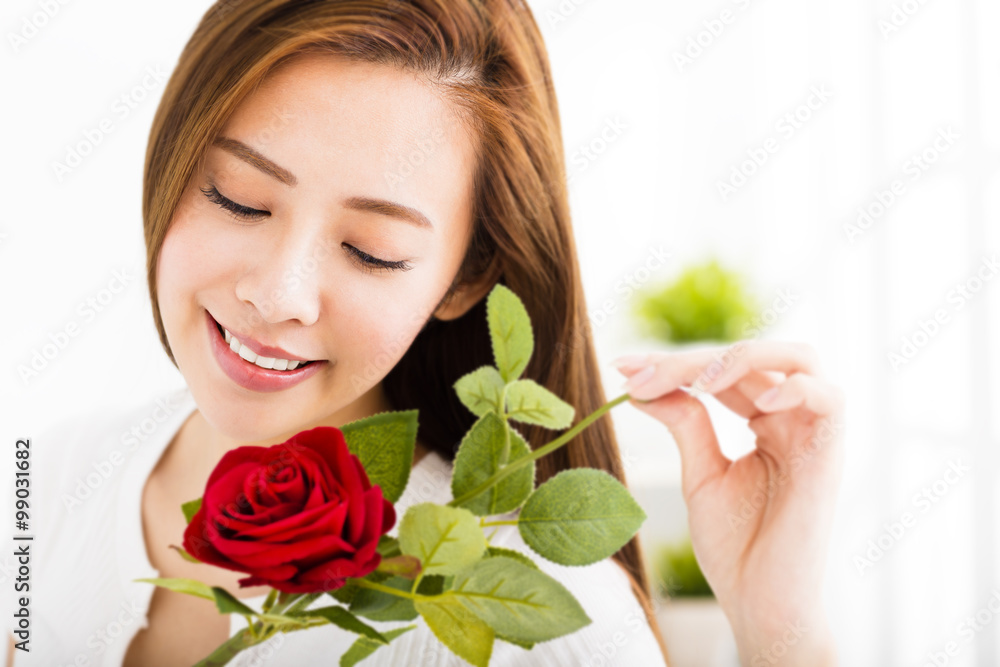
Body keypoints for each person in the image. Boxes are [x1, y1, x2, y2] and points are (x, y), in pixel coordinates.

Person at [6, 1, 844, 665]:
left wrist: (786, 639)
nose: (278, 293)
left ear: (467, 275)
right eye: (238, 198)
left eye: (372, 251)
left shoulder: (531, 609)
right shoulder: (38, 483)